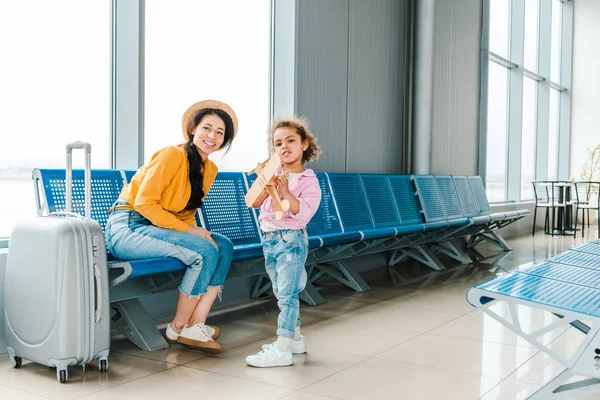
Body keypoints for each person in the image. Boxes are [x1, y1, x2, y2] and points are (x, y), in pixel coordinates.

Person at [105, 100, 238, 354]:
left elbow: (186, 214)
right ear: (193, 130)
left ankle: (196, 323)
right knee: (203, 251)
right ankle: (177, 328)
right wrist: (192, 232)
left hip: (158, 228)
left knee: (222, 246)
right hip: (129, 226)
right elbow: (144, 204)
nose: (212, 136)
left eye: (220, 133)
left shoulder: (209, 169)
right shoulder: (172, 155)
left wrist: (196, 230)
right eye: (207, 128)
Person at [245, 116, 322, 368]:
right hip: (269, 240)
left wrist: (286, 191)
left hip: (291, 241)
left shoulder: (308, 181)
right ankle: (296, 340)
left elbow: (303, 213)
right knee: (282, 292)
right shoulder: (274, 174)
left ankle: (282, 348)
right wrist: (264, 181)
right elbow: (255, 202)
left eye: (290, 140)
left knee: (288, 295)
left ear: (304, 144)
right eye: (278, 143)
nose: (284, 147)